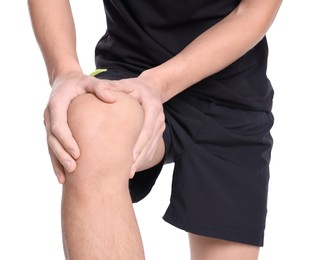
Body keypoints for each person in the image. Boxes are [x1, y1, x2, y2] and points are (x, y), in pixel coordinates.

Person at [28, 0, 282, 259]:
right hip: (129, 70)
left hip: (231, 91)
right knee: (90, 130)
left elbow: (253, 11)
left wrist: (159, 83)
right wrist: (64, 71)